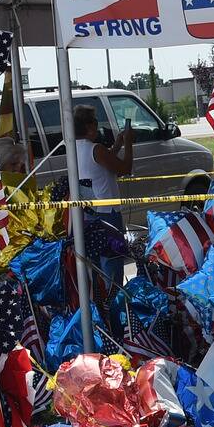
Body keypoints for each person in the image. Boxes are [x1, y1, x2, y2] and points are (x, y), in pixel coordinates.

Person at [72, 104, 134, 291]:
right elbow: (124, 169)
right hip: (107, 213)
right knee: (112, 265)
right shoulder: (96, 148)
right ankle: (114, 306)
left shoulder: (75, 147)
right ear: (90, 126)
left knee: (95, 266)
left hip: (88, 213)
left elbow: (103, 164)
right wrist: (129, 144)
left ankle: (101, 304)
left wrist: (117, 146)